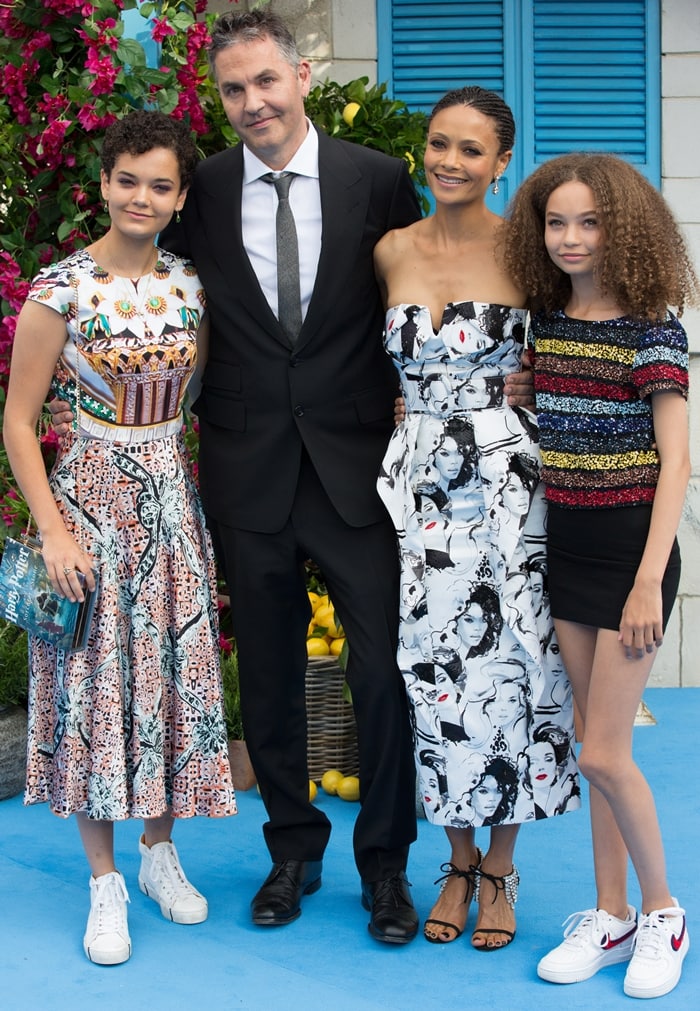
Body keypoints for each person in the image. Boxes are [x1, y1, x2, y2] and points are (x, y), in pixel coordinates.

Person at [49, 11, 534, 943]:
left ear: (302, 76)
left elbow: (430, 287)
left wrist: (515, 371)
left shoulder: (377, 178)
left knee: (383, 672)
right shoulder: (205, 188)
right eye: (233, 90)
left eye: (266, 82)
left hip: (359, 470)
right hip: (248, 466)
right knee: (266, 676)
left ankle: (386, 867)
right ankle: (292, 853)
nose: (252, 103)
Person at [2, 111, 237, 966]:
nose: (143, 196)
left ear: (178, 197)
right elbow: (20, 422)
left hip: (172, 501)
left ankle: (159, 852)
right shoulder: (57, 288)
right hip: (90, 510)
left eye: (161, 184)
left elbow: (198, 397)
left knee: (175, 677)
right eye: (128, 179)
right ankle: (104, 880)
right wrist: (56, 533)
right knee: (99, 686)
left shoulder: (191, 286)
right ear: (103, 183)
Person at [374, 86, 579, 952]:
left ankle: (500, 865)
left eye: (471, 149)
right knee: (430, 667)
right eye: (438, 144)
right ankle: (454, 860)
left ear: (501, 164)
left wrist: (536, 382)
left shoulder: (532, 251)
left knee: (516, 661)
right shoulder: (389, 249)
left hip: (505, 475)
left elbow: (579, 347)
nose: (449, 161)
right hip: (419, 482)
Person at [504, 151, 696, 999]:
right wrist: (519, 393)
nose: (572, 238)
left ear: (624, 230)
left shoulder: (653, 328)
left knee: (606, 751)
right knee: (591, 744)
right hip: (569, 545)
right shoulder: (544, 324)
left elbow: (677, 462)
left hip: (630, 554)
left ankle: (664, 911)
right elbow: (555, 427)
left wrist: (650, 577)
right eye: (557, 222)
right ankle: (610, 910)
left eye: (591, 222)